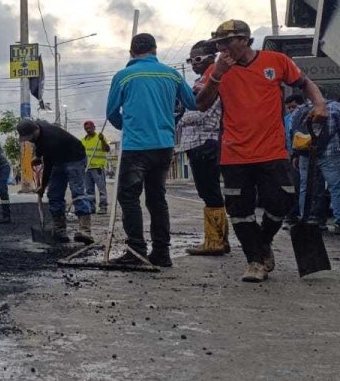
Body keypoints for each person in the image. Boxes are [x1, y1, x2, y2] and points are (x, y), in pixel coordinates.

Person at [195, 19, 328, 282]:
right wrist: (218, 74)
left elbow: (305, 83)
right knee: (240, 211)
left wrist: (320, 104)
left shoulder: (276, 61)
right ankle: (254, 261)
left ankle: (263, 241)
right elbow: (202, 104)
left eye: (226, 41)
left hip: (272, 150)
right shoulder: (215, 69)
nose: (222, 48)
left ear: (244, 40)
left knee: (283, 199)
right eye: (218, 44)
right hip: (234, 153)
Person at [105, 33, 196, 268]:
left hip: (136, 147)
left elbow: (112, 113)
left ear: (131, 52)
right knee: (157, 199)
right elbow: (192, 102)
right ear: (155, 50)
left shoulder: (124, 76)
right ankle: (161, 252)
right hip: (164, 146)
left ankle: (136, 251)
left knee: (129, 198)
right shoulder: (171, 74)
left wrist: (126, 125)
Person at [176, 41, 229, 256]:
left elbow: (199, 112)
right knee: (208, 191)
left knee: (210, 192)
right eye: (190, 60)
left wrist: (182, 117)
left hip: (205, 141)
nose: (192, 64)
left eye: (196, 59)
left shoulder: (212, 80)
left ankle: (215, 241)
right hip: (197, 143)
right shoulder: (201, 81)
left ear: (211, 57)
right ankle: (217, 239)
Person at [18, 119, 94, 243]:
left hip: (75, 157)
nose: (30, 139)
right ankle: (60, 231)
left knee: (77, 192)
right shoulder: (38, 128)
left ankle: (85, 230)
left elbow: (48, 166)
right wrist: (38, 156)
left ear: (36, 129)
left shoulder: (50, 137)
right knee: (54, 194)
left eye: (30, 137)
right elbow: (38, 143)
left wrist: (42, 186)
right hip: (59, 159)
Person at [285, 97, 340, 231]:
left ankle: (308, 218)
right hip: (329, 153)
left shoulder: (299, 111)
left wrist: (295, 155)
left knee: (307, 187)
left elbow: (292, 134)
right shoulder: (334, 107)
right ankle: (338, 221)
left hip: (306, 154)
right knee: (335, 187)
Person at [283, 94, 305, 226]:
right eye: (289, 108)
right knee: (293, 185)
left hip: (301, 154)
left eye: (293, 107)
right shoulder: (286, 119)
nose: (291, 110)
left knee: (300, 185)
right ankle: (292, 213)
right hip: (289, 155)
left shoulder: (302, 115)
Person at [81, 121, 111, 214]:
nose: (88, 129)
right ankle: (91, 207)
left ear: (94, 127)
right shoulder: (83, 140)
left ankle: (103, 207)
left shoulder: (100, 138)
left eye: (90, 127)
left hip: (98, 168)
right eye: (86, 128)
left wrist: (102, 140)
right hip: (87, 168)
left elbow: (107, 149)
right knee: (89, 190)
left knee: (101, 189)